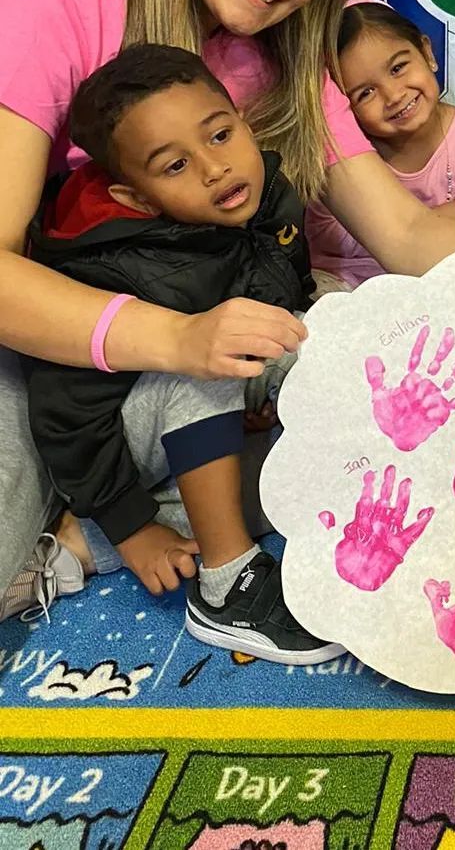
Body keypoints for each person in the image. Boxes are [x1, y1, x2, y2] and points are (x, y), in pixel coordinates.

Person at [0, 0, 455, 605]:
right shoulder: (45, 8)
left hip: (172, 338)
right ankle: (104, 512)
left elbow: (406, 228)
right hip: (49, 336)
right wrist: (181, 338)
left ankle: (103, 524)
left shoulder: (277, 57)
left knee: (387, 419)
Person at [20, 45, 340, 663]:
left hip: (199, 419)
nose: (216, 168)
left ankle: (84, 545)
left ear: (244, 122)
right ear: (136, 198)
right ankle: (225, 584)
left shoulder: (266, 196)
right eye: (174, 167)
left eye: (220, 134)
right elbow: (65, 413)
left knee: (332, 325)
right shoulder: (115, 267)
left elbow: (282, 294)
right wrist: (132, 526)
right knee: (213, 360)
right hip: (117, 438)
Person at [307, 1, 455, 288]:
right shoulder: (345, 155)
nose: (394, 95)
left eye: (397, 68)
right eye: (366, 93)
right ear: (344, 108)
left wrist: (448, 215)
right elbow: (324, 233)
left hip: (444, 281)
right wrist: (401, 230)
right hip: (352, 284)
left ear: (427, 52)